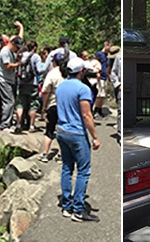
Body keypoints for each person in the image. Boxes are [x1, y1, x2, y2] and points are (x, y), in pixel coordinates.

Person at [55, 56, 100, 222]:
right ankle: (78, 209)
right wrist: (95, 137)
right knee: (83, 170)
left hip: (61, 131)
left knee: (67, 167)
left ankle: (66, 206)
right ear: (81, 71)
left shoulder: (60, 87)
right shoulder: (83, 89)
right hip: (76, 133)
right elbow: (87, 115)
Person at [39, 53, 66, 163]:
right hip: (65, 105)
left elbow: (45, 91)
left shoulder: (52, 73)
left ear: (54, 62)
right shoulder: (68, 73)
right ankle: (60, 155)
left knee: (49, 129)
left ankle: (45, 154)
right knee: (62, 129)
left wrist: (44, 107)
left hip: (53, 104)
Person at [0, 37, 22, 131]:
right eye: (17, 46)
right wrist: (19, 63)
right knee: (9, 102)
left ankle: (6, 122)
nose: (17, 49)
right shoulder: (5, 51)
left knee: (8, 102)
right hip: (3, 80)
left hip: (9, 80)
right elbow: (7, 65)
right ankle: (4, 124)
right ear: (12, 43)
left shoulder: (10, 52)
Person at [16, 41, 42, 133]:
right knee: (33, 104)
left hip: (21, 83)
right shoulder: (36, 57)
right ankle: (31, 126)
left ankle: (18, 124)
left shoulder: (20, 55)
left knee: (20, 104)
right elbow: (39, 70)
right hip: (32, 83)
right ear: (34, 48)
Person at [92, 42, 113, 118]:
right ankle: (96, 111)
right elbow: (93, 63)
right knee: (100, 94)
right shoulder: (99, 54)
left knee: (103, 95)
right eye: (109, 47)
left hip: (105, 77)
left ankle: (99, 109)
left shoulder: (108, 56)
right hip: (99, 77)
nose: (110, 49)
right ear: (105, 46)